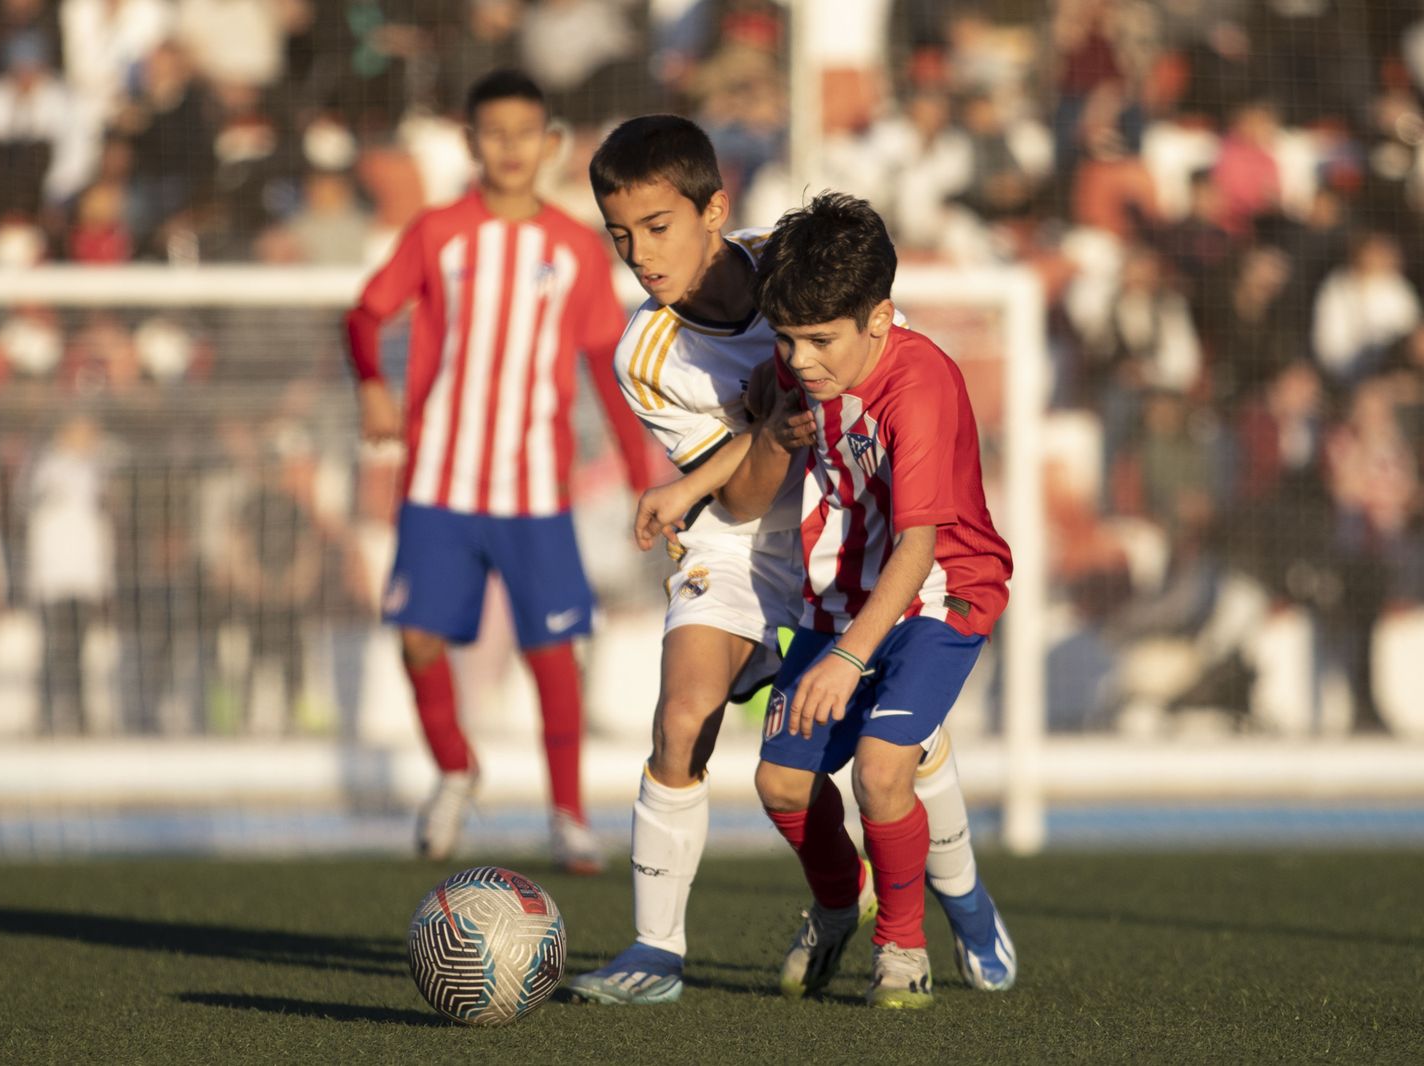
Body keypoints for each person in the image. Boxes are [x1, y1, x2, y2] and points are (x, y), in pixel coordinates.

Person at [568, 119, 1013, 1005]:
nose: (639, 256)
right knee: (684, 717)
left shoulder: (797, 265)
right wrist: (740, 453)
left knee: (899, 751)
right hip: (742, 542)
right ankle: (659, 953)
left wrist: (702, 472)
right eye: (620, 236)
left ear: (714, 210)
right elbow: (735, 503)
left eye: (658, 227)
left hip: (854, 525)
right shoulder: (643, 354)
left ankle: (955, 893)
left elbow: (887, 378)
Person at [343, 69, 653, 874]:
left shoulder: (576, 247)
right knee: (416, 640)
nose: (511, 148)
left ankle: (568, 815)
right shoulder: (438, 231)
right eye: (495, 133)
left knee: (553, 654)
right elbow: (366, 311)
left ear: (550, 145)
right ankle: (454, 769)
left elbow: (602, 363)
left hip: (532, 489)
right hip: (439, 478)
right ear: (470, 142)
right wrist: (373, 385)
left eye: (527, 133)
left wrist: (639, 471)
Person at [725, 192, 1015, 1008]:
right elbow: (763, 389)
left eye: (819, 340)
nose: (801, 358)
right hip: (841, 597)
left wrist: (849, 659)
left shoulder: (920, 385)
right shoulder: (802, 359)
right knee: (780, 787)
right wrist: (757, 424)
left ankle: (908, 943)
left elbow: (919, 546)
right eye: (787, 337)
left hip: (938, 595)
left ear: (880, 319)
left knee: (883, 774)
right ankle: (834, 903)